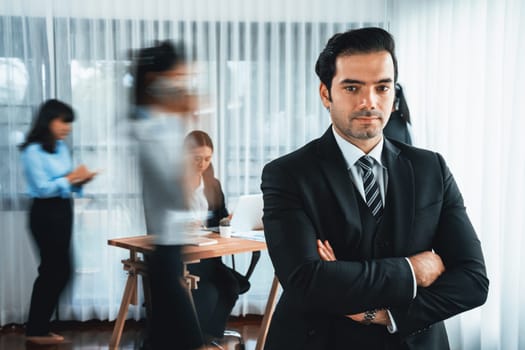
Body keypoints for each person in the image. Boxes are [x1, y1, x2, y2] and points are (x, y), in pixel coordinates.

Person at [260, 27, 488, 350]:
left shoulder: (431, 168)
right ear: (326, 94)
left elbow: (473, 281)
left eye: (382, 87)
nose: (369, 102)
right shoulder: (287, 174)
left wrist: (383, 314)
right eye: (352, 87)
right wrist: (413, 270)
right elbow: (306, 282)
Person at [129, 40, 204, 350]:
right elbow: (179, 191)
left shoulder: (163, 121)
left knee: (162, 333)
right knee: (184, 335)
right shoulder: (143, 128)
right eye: (175, 79)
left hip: (173, 239)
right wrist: (188, 119)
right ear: (152, 81)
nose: (180, 88)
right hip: (164, 239)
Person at [20, 99, 97, 345]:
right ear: (48, 120)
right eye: (63, 121)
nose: (67, 127)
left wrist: (80, 181)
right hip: (44, 212)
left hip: (63, 210)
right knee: (52, 271)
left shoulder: (61, 147)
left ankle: (41, 327)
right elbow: (43, 188)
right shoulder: (31, 151)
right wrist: (69, 179)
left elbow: (65, 180)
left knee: (62, 270)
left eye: (69, 123)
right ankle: (36, 329)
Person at [183, 130, 241, 341]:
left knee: (230, 286)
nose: (202, 164)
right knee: (208, 292)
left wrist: (229, 221)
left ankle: (207, 338)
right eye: (197, 158)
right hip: (183, 259)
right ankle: (195, 340)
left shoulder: (212, 184)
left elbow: (220, 218)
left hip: (209, 256)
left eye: (207, 159)